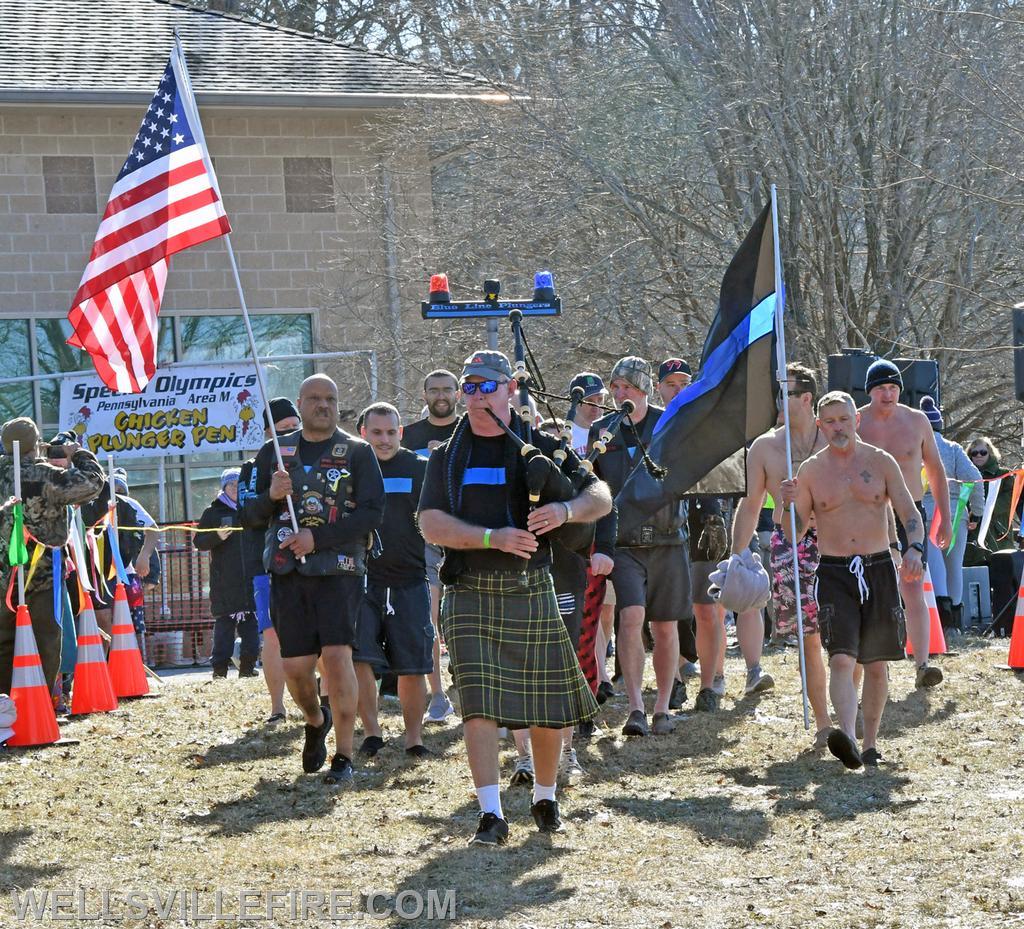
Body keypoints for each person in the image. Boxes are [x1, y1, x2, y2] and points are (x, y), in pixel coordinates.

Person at [418, 350, 610, 845]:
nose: (477, 395)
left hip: (532, 587)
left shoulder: (541, 444)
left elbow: (601, 495)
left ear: (511, 388)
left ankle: (545, 796)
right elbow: (430, 523)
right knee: (478, 705)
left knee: (546, 705)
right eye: (470, 386)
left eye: (487, 385)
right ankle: (490, 813)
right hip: (468, 590)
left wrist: (565, 510)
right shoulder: (446, 456)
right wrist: (491, 538)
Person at [241, 374, 385, 785]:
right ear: (300, 404)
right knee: (296, 667)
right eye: (316, 399)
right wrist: (270, 496)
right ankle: (313, 718)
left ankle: (343, 755)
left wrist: (317, 537)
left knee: (340, 659)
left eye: (331, 399)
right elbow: (247, 515)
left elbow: (373, 512)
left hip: (340, 571)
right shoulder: (275, 453)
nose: (324, 405)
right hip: (289, 573)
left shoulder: (357, 453)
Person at [781, 391, 925, 769]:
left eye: (844, 419)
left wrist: (915, 549)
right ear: (819, 426)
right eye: (829, 422)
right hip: (833, 571)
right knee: (841, 659)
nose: (838, 428)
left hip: (877, 567)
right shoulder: (810, 471)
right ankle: (846, 735)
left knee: (876, 662)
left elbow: (909, 511)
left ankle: (871, 741)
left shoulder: (880, 462)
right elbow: (794, 532)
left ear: (855, 420)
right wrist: (787, 503)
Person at [730, 363, 832, 745]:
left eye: (784, 392)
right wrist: (737, 557)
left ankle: (846, 704)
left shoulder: (835, 437)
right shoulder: (766, 447)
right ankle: (824, 723)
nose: (777, 400)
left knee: (845, 636)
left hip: (842, 542)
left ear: (806, 398)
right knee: (810, 638)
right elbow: (751, 503)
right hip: (791, 545)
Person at [590, 356, 690, 737]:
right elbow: (593, 486)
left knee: (665, 626)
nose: (619, 395)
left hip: (668, 539)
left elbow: (692, 470)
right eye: (615, 388)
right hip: (623, 542)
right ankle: (634, 707)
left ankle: (662, 706)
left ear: (644, 389)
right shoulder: (604, 430)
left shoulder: (670, 423)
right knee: (630, 618)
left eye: (627, 388)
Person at [857, 360, 949, 687]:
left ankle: (922, 664)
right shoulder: (855, 421)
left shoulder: (917, 420)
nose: (888, 393)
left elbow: (936, 471)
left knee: (912, 584)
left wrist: (945, 521)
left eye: (893, 387)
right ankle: (872, 662)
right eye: (881, 388)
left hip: (908, 513)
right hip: (866, 513)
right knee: (871, 588)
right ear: (870, 391)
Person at [0, 418, 104, 696]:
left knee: (2, 643)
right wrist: (77, 454)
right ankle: (37, 705)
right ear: (35, 446)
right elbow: (92, 483)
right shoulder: (44, 475)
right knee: (45, 638)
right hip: (41, 574)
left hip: (1, 576)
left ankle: (3, 710)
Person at [354, 403, 434, 759]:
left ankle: (413, 738)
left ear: (401, 433)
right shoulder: (351, 469)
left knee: (412, 665)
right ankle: (371, 733)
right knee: (360, 662)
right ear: (363, 433)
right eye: (376, 433)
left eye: (391, 432)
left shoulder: (421, 469)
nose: (384, 440)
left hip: (411, 580)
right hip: (360, 581)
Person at [400, 369, 459, 724]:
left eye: (447, 389)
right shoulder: (409, 436)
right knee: (429, 618)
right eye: (433, 389)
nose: (440, 395)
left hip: (465, 535)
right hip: (423, 536)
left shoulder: (471, 429)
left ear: (457, 394)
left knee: (466, 617)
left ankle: (468, 688)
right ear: (424, 395)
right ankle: (437, 695)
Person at [239, 397, 301, 723]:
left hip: (312, 559)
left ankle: (320, 700)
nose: (292, 434)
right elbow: (247, 513)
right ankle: (278, 707)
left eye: (296, 427)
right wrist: (271, 496)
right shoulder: (252, 467)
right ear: (267, 433)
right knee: (273, 634)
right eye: (283, 430)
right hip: (267, 565)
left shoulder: (316, 460)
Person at [919, 397, 983, 633]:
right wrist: (977, 513)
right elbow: (975, 479)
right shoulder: (953, 449)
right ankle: (955, 626)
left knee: (935, 567)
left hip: (928, 515)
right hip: (957, 515)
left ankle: (941, 623)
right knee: (954, 566)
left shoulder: (916, 448)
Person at [194, 468, 260, 678]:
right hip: (224, 583)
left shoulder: (251, 509)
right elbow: (199, 542)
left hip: (250, 581)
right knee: (224, 631)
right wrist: (216, 536)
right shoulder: (212, 512)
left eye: (238, 484)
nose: (234, 488)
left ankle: (248, 671)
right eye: (230, 484)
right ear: (224, 487)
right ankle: (219, 672)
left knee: (251, 630)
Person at [966, 437, 1017, 553]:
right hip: (971, 533)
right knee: (974, 568)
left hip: (998, 533)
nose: (978, 455)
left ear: (990, 453)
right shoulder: (964, 477)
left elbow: (1010, 499)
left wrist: (984, 509)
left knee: (1001, 567)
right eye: (974, 453)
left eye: (983, 452)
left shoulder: (1004, 475)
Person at [567, 372, 607, 455]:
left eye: (600, 399)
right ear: (575, 403)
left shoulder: (611, 430)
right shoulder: (565, 434)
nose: (596, 407)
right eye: (589, 401)